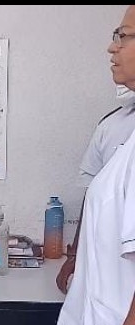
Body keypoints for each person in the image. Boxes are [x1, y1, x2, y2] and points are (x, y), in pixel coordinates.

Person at [53, 5, 135, 325]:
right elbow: (96, 199)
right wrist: (75, 256)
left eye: (124, 36)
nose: (111, 47)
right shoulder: (118, 125)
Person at [56, 83, 135, 293]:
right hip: (109, 255)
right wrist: (75, 254)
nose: (112, 51)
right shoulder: (111, 124)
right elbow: (92, 193)